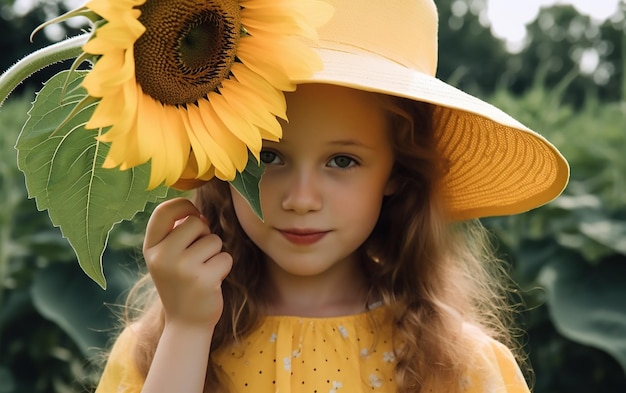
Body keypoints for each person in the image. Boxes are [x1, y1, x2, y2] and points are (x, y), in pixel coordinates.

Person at [94, 0, 569, 392]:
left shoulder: (461, 367)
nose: (301, 199)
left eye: (342, 161)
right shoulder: (158, 353)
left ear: (397, 171)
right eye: (268, 157)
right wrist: (187, 330)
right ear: (223, 163)